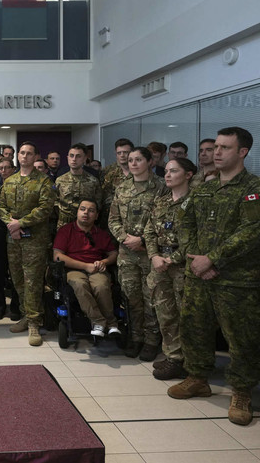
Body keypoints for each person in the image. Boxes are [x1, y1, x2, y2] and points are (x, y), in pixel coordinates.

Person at [169, 127, 260, 427]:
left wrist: (212, 259)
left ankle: (241, 392)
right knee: (195, 327)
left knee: (241, 336)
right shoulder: (204, 188)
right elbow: (185, 222)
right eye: (215, 146)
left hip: (238, 279)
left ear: (242, 152)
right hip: (199, 274)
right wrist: (195, 257)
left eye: (224, 148)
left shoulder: (257, 189)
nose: (216, 152)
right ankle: (197, 377)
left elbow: (252, 232)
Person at [0, 141, 55, 346]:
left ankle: (34, 322)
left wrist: (20, 223)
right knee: (18, 280)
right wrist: (11, 224)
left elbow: (45, 208)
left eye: (29, 153)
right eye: (22, 152)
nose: (24, 156)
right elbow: (0, 205)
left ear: (36, 156)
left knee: (33, 281)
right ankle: (25, 314)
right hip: (13, 239)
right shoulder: (10, 181)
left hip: (34, 240)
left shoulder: (43, 181)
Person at [144, 157, 197, 380]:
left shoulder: (196, 201)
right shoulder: (161, 202)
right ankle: (173, 357)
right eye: (166, 171)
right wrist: (154, 256)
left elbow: (197, 238)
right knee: (165, 314)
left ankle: (191, 362)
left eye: (173, 171)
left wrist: (170, 259)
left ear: (188, 175)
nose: (167, 175)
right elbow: (149, 231)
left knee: (187, 315)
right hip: (160, 265)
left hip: (184, 267)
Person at [108, 146, 164, 361]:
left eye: (138, 159)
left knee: (151, 298)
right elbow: (113, 219)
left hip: (151, 252)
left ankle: (151, 340)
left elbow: (165, 219)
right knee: (131, 298)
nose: (133, 163)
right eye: (130, 160)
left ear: (150, 162)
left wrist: (142, 241)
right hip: (127, 253)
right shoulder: (122, 187)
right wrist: (125, 238)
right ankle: (136, 337)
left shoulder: (161, 187)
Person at [53, 199, 120, 339]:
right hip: (74, 269)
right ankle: (99, 322)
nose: (86, 213)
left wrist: (104, 262)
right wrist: (85, 266)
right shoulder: (66, 231)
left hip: (97, 269)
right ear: (77, 212)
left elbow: (114, 254)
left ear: (96, 216)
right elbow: (57, 256)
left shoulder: (101, 234)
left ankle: (112, 325)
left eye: (91, 211)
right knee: (80, 285)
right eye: (82, 209)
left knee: (101, 286)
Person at [0, 158, 22, 320]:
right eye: (1, 168)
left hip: (17, 229)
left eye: (7, 167)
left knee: (16, 269)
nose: (4, 170)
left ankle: (16, 307)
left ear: (13, 169)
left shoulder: (19, 184)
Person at [55, 143, 103, 229]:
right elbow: (54, 201)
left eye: (78, 156)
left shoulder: (93, 181)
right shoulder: (60, 180)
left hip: (86, 225)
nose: (74, 159)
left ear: (85, 158)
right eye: (71, 156)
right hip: (64, 224)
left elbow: (98, 204)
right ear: (67, 158)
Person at [101, 138, 134, 225]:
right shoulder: (110, 174)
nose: (122, 155)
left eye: (125, 152)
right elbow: (105, 198)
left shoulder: (139, 172)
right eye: (119, 153)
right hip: (115, 219)